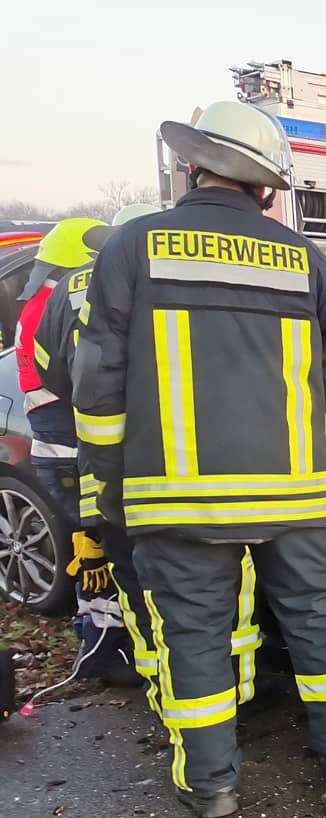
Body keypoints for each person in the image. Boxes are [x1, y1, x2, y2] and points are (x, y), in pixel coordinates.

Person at [72, 100, 326, 818]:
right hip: (297, 496)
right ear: (266, 186)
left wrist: (108, 484)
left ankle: (213, 789)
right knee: (318, 620)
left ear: (193, 166)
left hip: (176, 496)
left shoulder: (132, 247)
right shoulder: (308, 261)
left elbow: (96, 382)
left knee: (195, 638)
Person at [33, 204, 159, 689]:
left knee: (127, 569)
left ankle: (152, 677)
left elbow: (51, 368)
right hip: (170, 455)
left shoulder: (72, 286)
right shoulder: (162, 279)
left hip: (100, 459)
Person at [14, 218, 109, 521]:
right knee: (95, 539)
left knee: (82, 542)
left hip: (51, 442)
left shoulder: (41, 301)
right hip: (69, 445)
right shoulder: (68, 302)